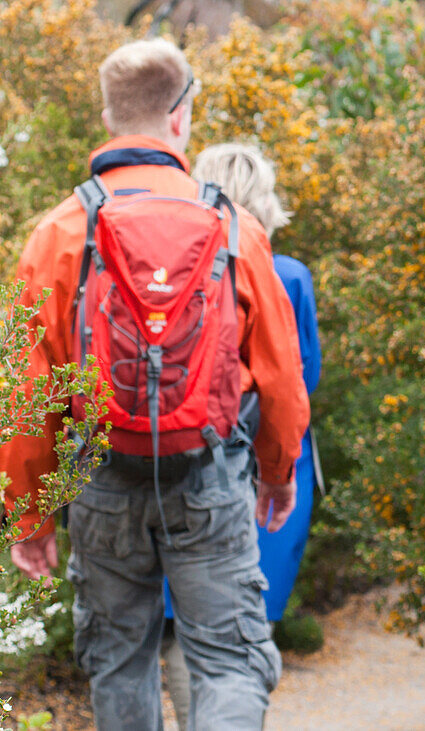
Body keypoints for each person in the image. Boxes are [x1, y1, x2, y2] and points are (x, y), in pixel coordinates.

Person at [0, 39, 310, 729]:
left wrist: (30, 513)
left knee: (120, 660)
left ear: (109, 117)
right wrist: (277, 472)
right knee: (230, 661)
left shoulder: (58, 232)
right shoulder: (236, 226)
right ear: (181, 117)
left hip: (102, 485)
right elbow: (283, 379)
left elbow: (28, 392)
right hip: (209, 480)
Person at [160, 143, 322, 728]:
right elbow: (301, 382)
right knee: (245, 631)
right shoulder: (289, 275)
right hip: (269, 471)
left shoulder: (178, 265)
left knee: (186, 624)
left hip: (183, 460)